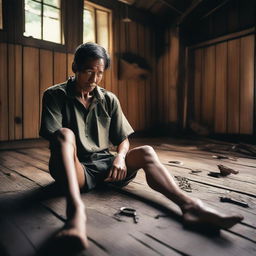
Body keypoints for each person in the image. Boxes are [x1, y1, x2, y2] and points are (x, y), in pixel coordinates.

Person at [40, 42, 243, 250]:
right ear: (75, 67)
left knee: (146, 151)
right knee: (64, 134)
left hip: (108, 167)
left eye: (100, 73)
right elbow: (55, 138)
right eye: (88, 71)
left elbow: (123, 139)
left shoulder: (108, 99)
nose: (94, 79)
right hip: (75, 169)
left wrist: (119, 157)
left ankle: (190, 207)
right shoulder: (54, 95)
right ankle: (75, 216)